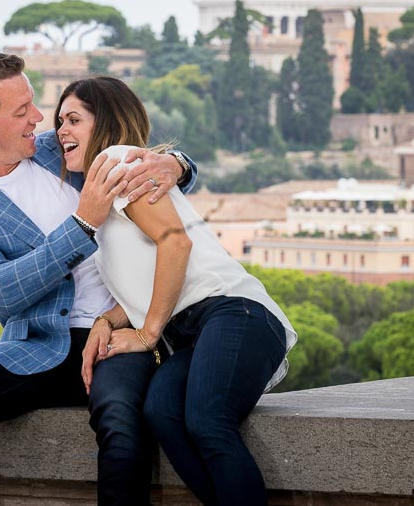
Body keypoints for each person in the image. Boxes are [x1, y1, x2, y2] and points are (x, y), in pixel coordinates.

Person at [0, 53, 197, 505]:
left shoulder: (62, 146)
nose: (37, 118)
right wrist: (81, 227)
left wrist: (179, 164)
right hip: (38, 345)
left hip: (118, 332)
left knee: (121, 420)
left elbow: (145, 161)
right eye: (21, 111)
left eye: (32, 104)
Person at [56, 76, 297, 505]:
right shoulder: (97, 193)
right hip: (189, 331)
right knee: (162, 412)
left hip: (232, 311)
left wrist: (148, 334)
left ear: (105, 123)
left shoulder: (116, 162)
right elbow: (143, 276)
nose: (61, 131)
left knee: (207, 421)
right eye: (59, 121)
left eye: (74, 119)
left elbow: (176, 242)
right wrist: (106, 320)